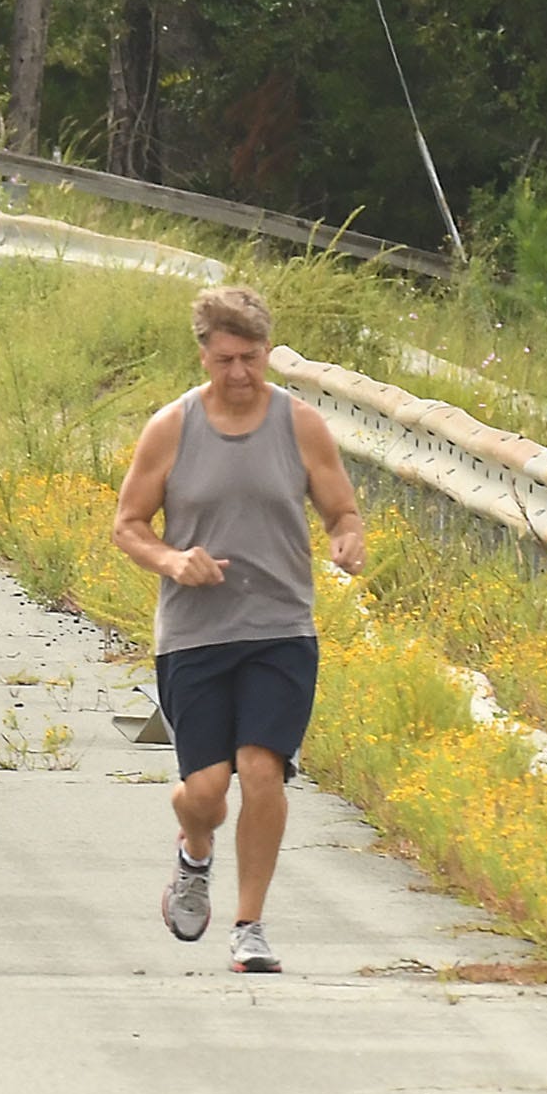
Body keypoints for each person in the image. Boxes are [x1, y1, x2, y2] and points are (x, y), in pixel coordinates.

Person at [111, 285, 363, 974]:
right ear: (203, 355)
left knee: (260, 769)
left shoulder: (300, 425)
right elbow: (128, 524)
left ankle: (250, 926)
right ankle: (194, 853)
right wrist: (172, 560)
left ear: (267, 352)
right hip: (195, 635)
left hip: (280, 628)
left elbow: (342, 510)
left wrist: (346, 539)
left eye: (252, 358)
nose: (241, 373)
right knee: (206, 793)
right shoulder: (172, 427)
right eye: (225, 360)